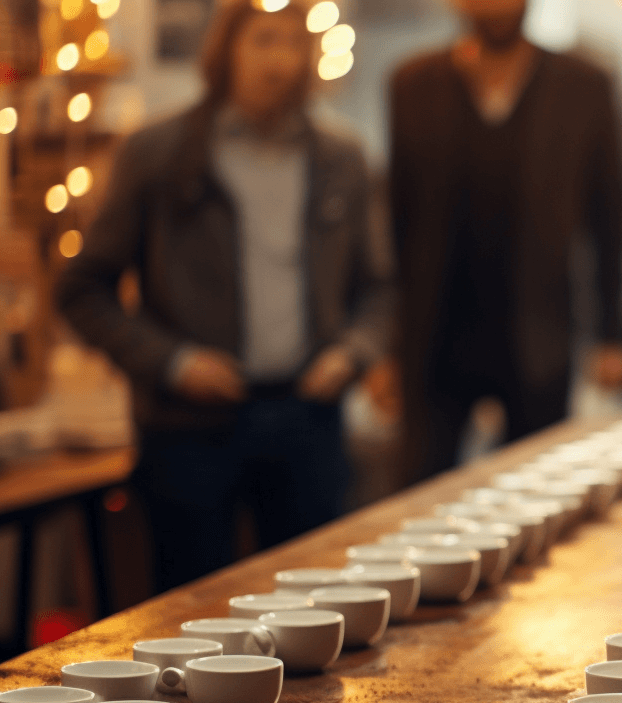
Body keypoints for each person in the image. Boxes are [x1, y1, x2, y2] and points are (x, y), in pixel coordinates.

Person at [57, 0, 392, 591]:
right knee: (193, 614)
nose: (281, 60)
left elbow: (381, 289)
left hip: (307, 416)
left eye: (294, 43)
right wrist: (173, 363)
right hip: (189, 428)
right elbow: (83, 289)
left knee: (315, 608)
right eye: (264, 40)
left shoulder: (341, 158)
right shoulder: (157, 154)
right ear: (227, 48)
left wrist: (352, 354)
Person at [389, 0, 622, 484]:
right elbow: (397, 217)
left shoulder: (582, 84)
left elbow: (611, 216)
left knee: (539, 485)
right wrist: (387, 346)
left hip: (538, 327)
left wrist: (613, 334)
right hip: (435, 332)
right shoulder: (412, 83)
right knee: (420, 488)